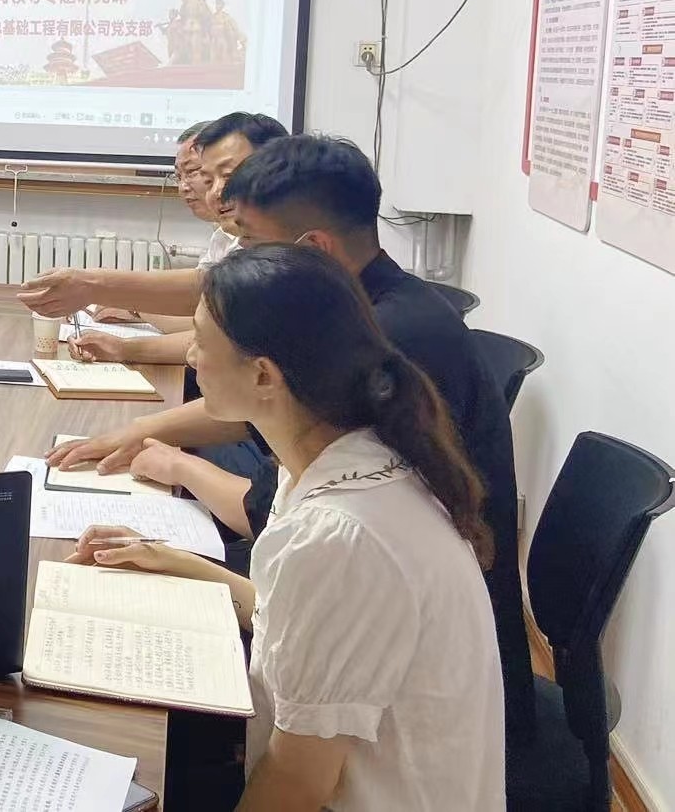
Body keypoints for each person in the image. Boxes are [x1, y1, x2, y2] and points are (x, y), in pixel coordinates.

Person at [49, 134, 533, 739]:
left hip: (424, 700)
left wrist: (171, 461)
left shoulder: (378, 354)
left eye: (250, 241)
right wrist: (169, 539)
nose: (236, 257)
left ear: (314, 250)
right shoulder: (357, 326)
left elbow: (304, 767)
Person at [68, 243, 504, 811]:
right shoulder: (345, 459)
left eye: (200, 340)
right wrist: (174, 562)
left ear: (263, 375)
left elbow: (298, 783)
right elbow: (288, 619)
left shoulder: (338, 537)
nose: (191, 357)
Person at [30, 112, 286, 365]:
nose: (216, 191)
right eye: (209, 179)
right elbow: (207, 306)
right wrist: (121, 336)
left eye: (227, 176)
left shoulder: (290, 259)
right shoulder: (231, 236)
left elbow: (205, 297)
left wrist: (95, 288)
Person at [71, 121, 215, 367]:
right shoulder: (223, 234)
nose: (183, 187)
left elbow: (213, 337)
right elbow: (205, 322)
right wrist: (133, 312)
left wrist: (126, 336)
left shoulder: (257, 245)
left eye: (193, 172)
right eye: (178, 176)